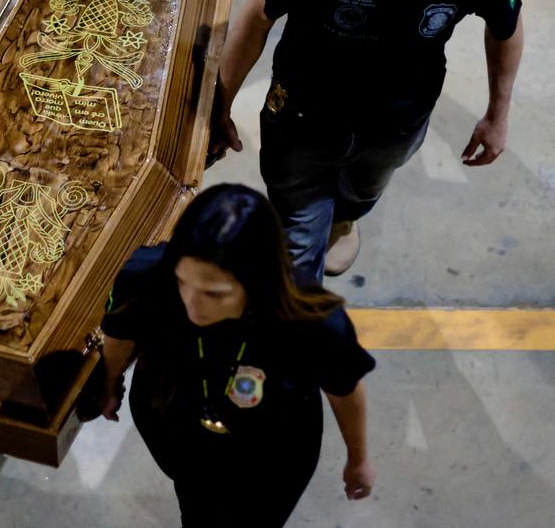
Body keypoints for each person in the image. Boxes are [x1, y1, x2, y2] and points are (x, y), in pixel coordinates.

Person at [211, 0, 525, 279]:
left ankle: (344, 220)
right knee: (296, 222)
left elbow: (507, 28)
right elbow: (257, 16)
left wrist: (498, 113)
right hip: (303, 113)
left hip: (397, 121)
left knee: (364, 187)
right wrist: (223, 99)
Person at [95, 184, 376, 527]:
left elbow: (344, 391)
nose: (193, 304)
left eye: (214, 293)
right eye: (184, 282)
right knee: (195, 507)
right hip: (177, 429)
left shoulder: (311, 321)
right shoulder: (147, 277)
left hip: (271, 452)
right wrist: (109, 381)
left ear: (256, 279)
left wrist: (358, 458)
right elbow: (122, 330)